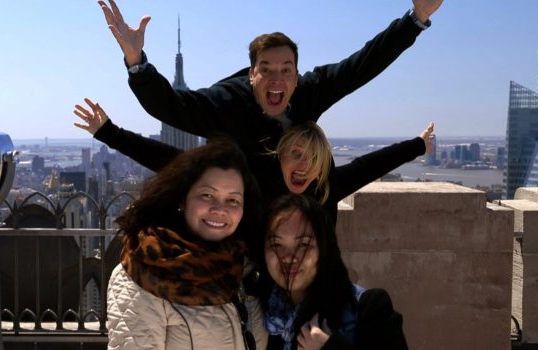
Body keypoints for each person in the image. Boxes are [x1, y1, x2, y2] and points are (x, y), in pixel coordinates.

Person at [97, 0, 443, 202]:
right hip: (250, 219)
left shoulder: (310, 91)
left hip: (301, 221)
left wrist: (415, 20)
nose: (277, 79)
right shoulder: (228, 102)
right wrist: (136, 62)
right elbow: (168, 106)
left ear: (296, 75)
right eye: (266, 70)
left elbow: (363, 64)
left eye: (286, 70)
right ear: (252, 75)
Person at [72, 98, 435, 223]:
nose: (303, 165)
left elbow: (376, 162)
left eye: (312, 158)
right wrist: (109, 133)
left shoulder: (329, 186)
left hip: (317, 294)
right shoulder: (254, 183)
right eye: (295, 154)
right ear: (279, 158)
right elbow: (178, 163)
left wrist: (418, 145)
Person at [106, 141, 268, 350]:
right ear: (183, 198)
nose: (220, 209)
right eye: (207, 195)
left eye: (233, 200)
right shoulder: (147, 269)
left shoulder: (243, 267)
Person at [261, 193, 421, 350]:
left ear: (324, 249)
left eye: (304, 245)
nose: (289, 257)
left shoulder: (365, 308)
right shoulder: (265, 320)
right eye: (276, 245)